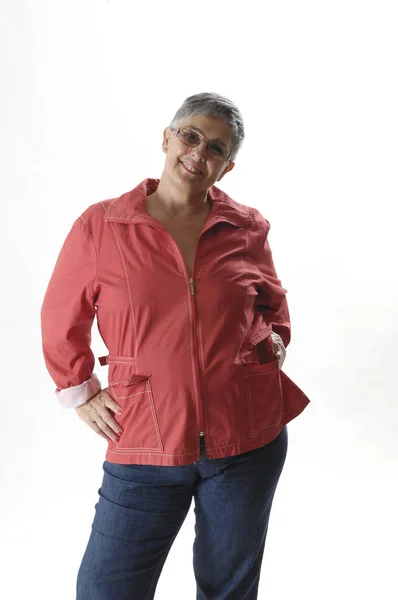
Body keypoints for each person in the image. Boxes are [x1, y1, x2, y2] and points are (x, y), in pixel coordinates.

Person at [40, 92, 310, 600]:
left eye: (216, 149)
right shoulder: (102, 225)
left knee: (227, 590)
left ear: (227, 168)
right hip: (144, 436)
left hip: (247, 438)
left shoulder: (247, 227)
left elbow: (272, 303)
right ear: (167, 138)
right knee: (107, 589)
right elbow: (60, 314)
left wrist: (275, 339)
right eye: (191, 136)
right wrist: (79, 388)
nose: (198, 152)